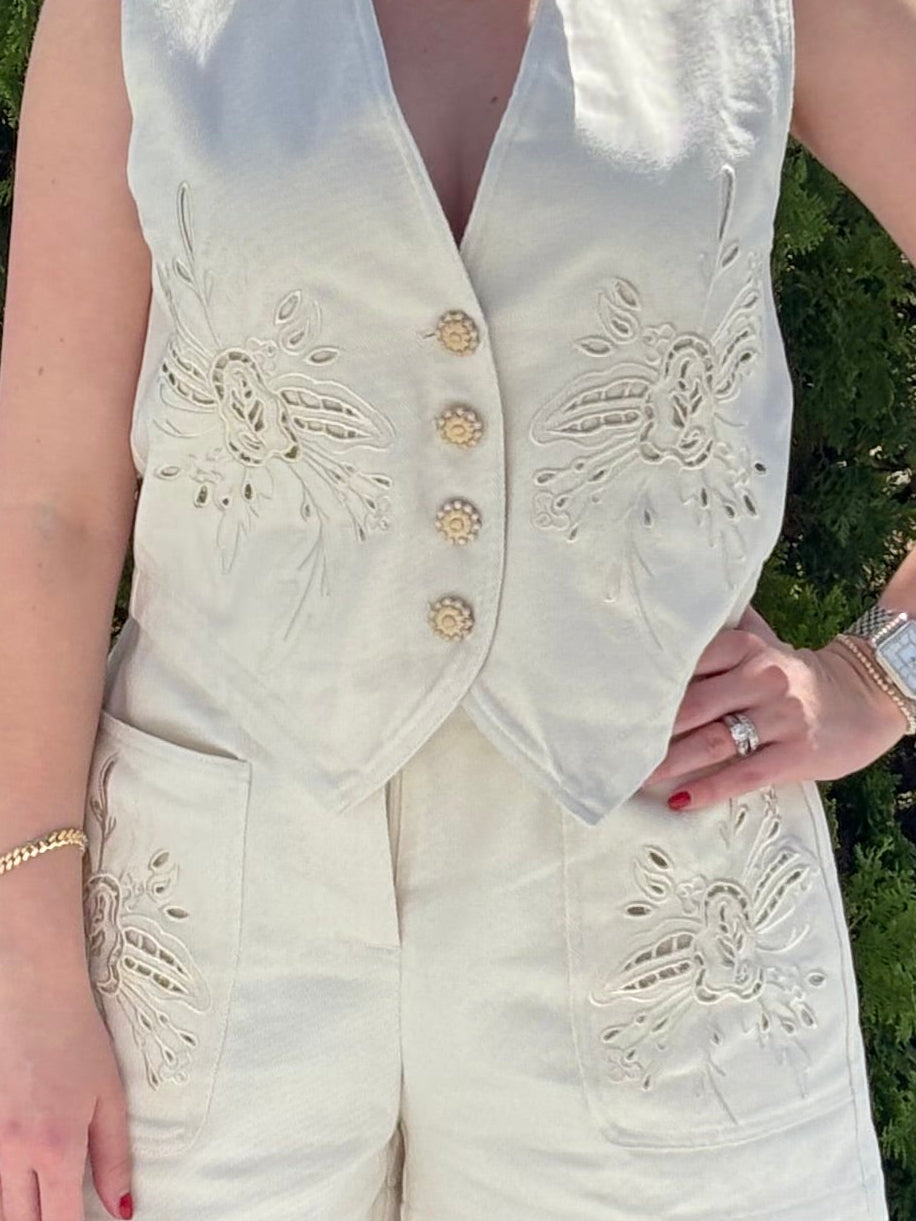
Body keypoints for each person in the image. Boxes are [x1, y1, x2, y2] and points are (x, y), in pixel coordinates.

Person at [0, 0, 912, 1216]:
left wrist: (881, 673)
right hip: (205, 927)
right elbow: (49, 511)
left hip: (662, 924)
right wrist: (25, 963)